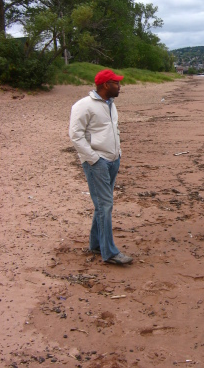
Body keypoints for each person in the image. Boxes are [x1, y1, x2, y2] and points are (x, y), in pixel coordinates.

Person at [69, 69, 133, 265]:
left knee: (101, 205)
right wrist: (93, 158)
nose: (120, 86)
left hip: (112, 160)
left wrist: (118, 153)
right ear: (106, 85)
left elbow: (113, 129)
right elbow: (75, 135)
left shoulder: (111, 105)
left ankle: (96, 244)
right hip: (97, 162)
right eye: (116, 83)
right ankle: (109, 253)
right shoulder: (83, 106)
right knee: (105, 205)